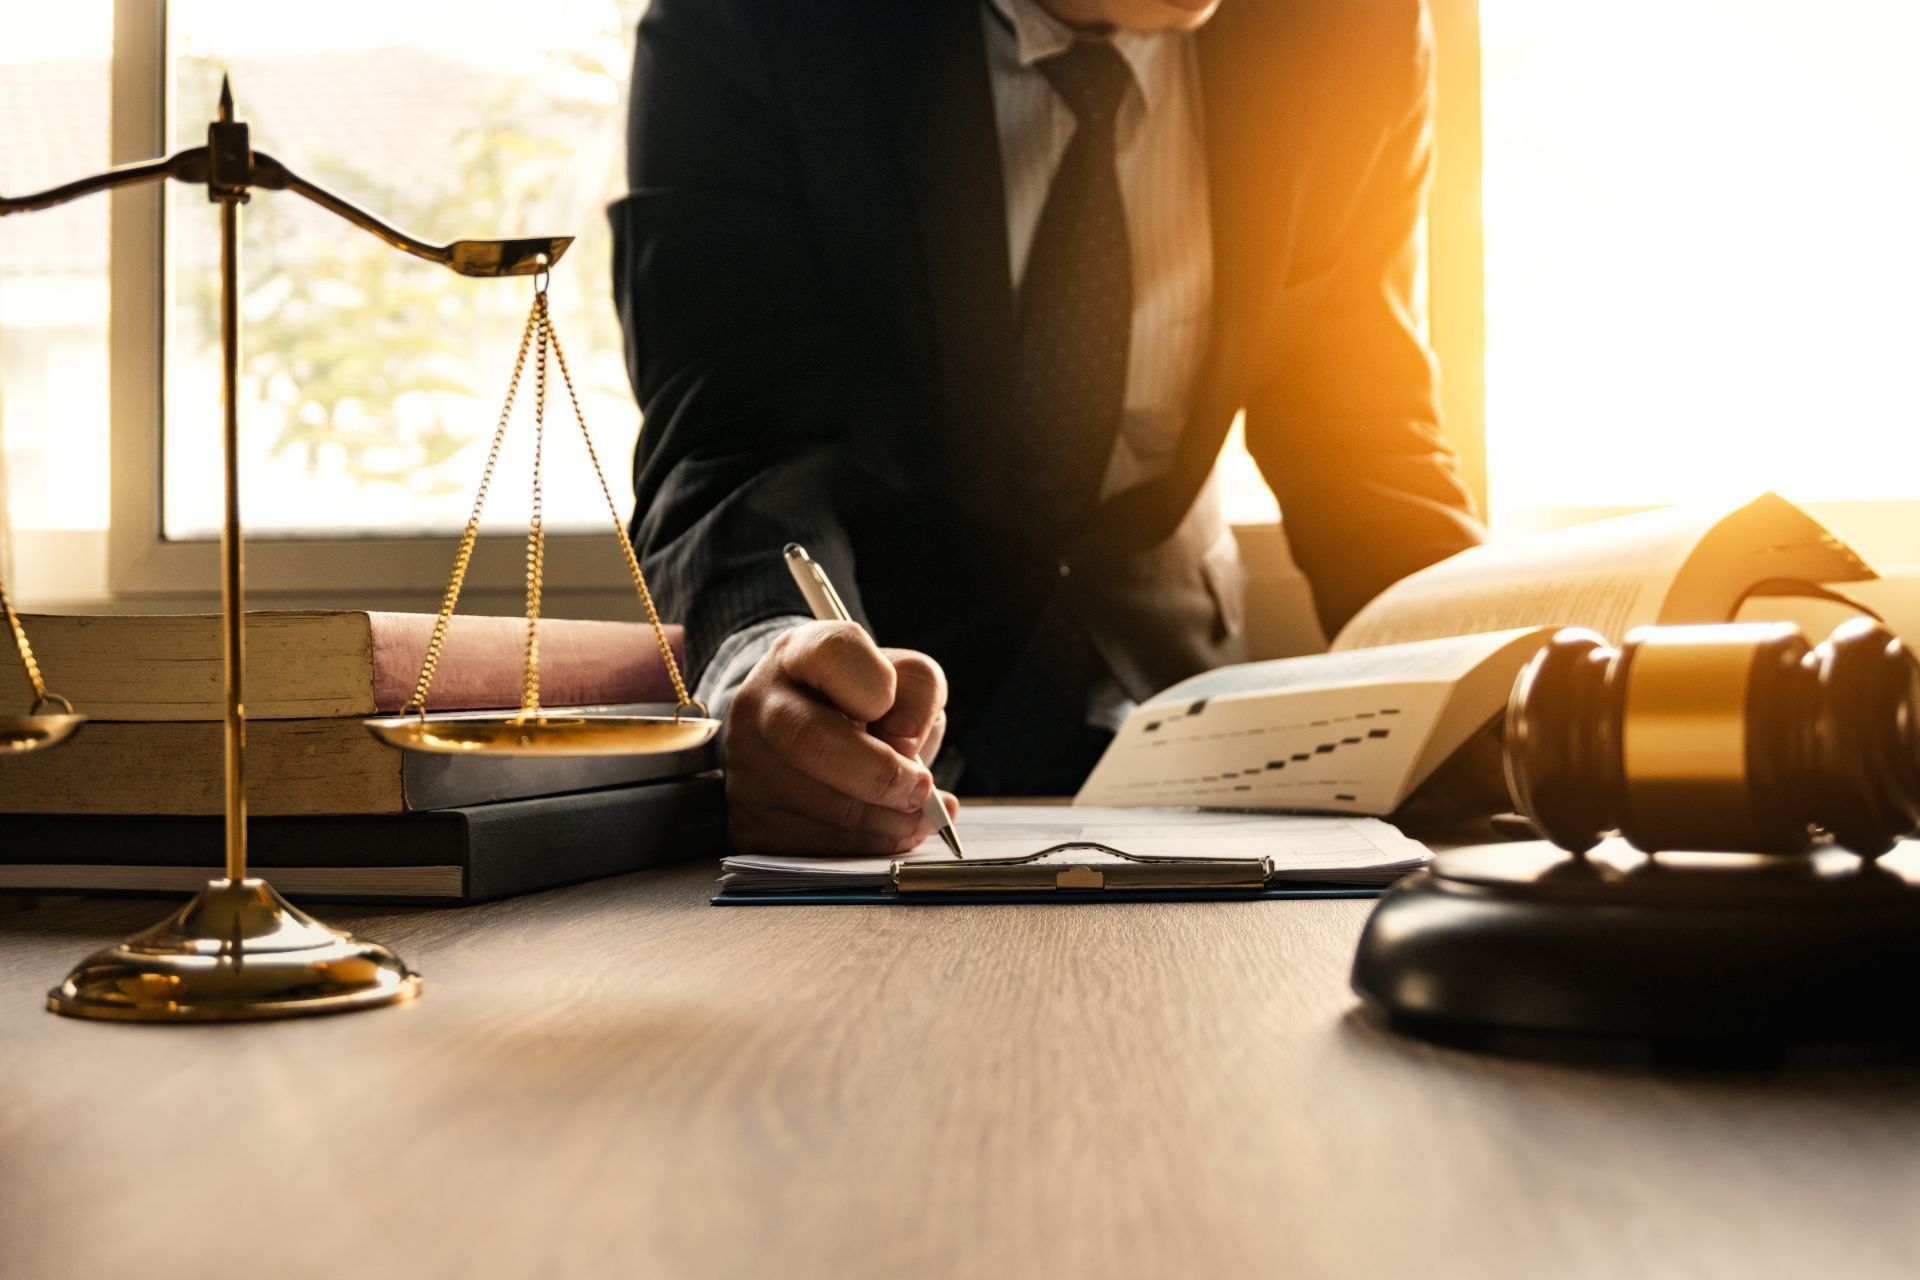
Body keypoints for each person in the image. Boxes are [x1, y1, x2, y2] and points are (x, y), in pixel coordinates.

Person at [611, 0, 1484, 854]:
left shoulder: (1354, 25)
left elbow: (1362, 442)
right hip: (885, 742)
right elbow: (734, 442)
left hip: (1190, 720)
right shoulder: (742, 21)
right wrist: (769, 668)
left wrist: (1496, 680)